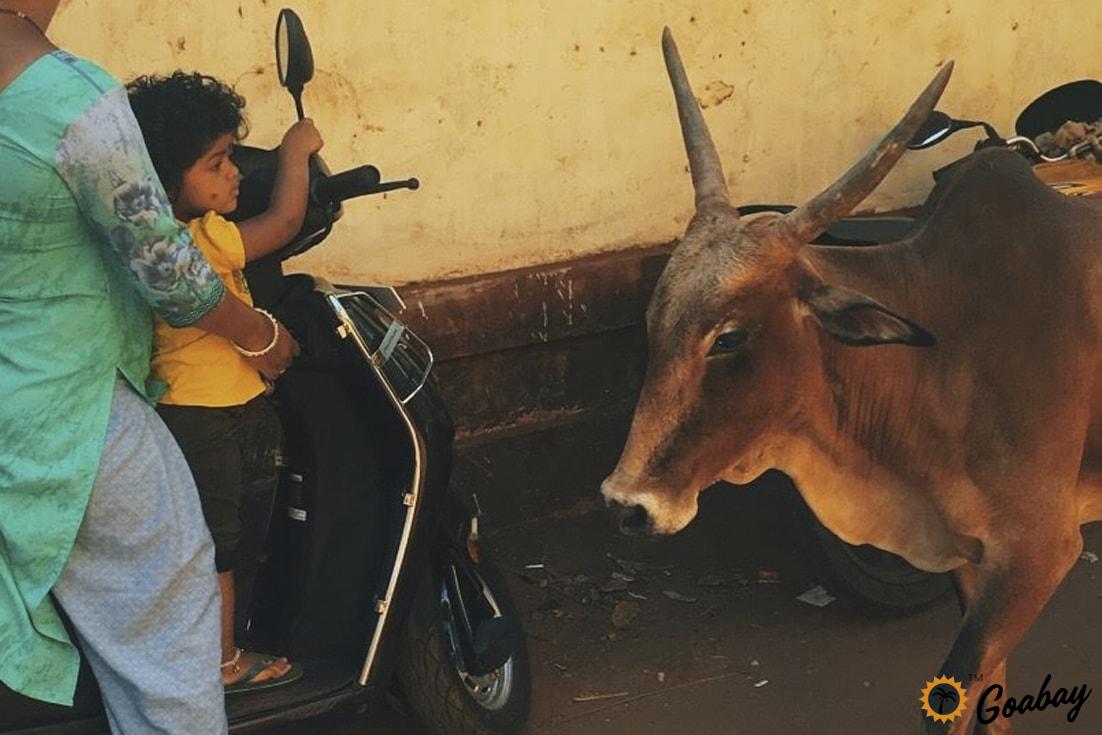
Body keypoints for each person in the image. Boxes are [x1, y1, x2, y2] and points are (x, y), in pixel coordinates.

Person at [0, 2, 298, 732]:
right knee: (172, 601)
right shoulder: (68, 97)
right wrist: (262, 335)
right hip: (70, 404)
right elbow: (171, 271)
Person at [126, 71, 323, 693]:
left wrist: (286, 154)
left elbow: (286, 222)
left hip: (226, 411)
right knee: (217, 546)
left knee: (227, 534)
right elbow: (286, 220)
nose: (233, 173)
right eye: (217, 163)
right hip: (198, 417)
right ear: (166, 180)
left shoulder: (199, 235)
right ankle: (222, 666)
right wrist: (296, 150)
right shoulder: (185, 248)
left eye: (231, 157)